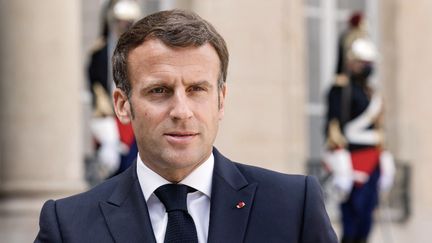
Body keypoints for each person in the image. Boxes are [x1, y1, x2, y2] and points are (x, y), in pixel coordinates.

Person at [35, 9, 338, 243]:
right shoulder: (68, 226)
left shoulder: (293, 206)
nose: (182, 111)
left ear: (221, 100)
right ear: (122, 105)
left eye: (196, 89)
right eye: (159, 91)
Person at [323, 26, 395, 243]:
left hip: (372, 159)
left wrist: (384, 155)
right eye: (363, 63)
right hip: (351, 160)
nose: (367, 67)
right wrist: (339, 156)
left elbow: (378, 128)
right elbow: (333, 126)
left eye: (369, 64)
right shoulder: (340, 90)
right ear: (351, 63)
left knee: (366, 219)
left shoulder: (371, 93)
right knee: (352, 220)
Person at [87, 0, 141, 180]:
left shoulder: (140, 52)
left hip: (134, 114)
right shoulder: (100, 52)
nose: (124, 27)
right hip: (109, 116)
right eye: (120, 22)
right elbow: (96, 87)